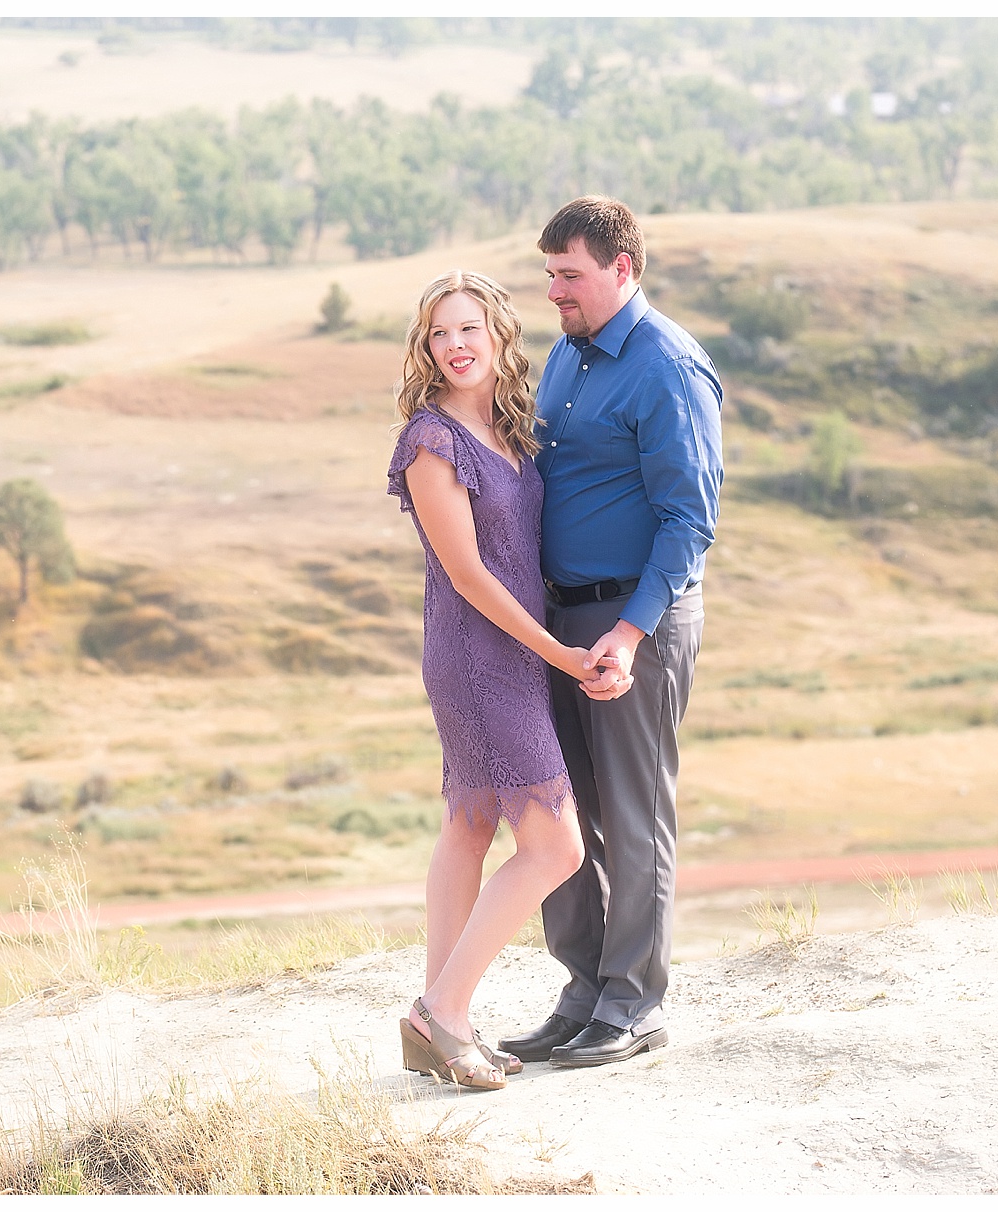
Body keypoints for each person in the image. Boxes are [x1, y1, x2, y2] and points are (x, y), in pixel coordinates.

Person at [497, 196, 723, 1068]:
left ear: (622, 270)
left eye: (570, 276)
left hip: (634, 623)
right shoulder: (568, 354)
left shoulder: (669, 366)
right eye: (549, 274)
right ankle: (584, 990)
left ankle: (635, 1003)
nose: (554, 291)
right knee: (566, 811)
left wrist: (628, 634)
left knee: (633, 816)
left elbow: (688, 521)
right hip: (559, 620)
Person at [385, 270, 597, 1091]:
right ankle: (440, 1010)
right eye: (440, 334)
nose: (456, 345)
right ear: (426, 348)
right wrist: (559, 653)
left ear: (500, 334)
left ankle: (446, 1023)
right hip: (478, 659)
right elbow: (468, 574)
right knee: (557, 846)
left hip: (507, 652)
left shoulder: (512, 429)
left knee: (470, 824)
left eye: (469, 328)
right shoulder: (431, 440)